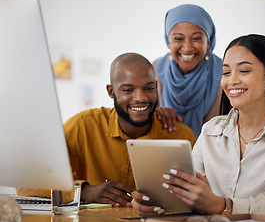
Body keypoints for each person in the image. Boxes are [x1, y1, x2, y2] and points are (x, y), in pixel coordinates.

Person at [131, 34, 265, 217]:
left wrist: (220, 204)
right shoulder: (211, 130)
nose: (231, 81)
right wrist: (156, 204)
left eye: (244, 71)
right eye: (226, 72)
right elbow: (185, 192)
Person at [17, 53, 196, 207]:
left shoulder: (180, 135)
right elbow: (27, 184)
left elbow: (197, 198)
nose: (141, 98)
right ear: (111, 92)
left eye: (149, 88)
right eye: (128, 90)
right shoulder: (83, 126)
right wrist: (84, 192)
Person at [153, 4, 223, 138]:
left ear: (208, 42)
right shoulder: (155, 69)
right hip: (164, 153)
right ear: (168, 42)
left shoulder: (224, 71)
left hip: (211, 155)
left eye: (196, 38)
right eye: (178, 38)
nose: (187, 48)